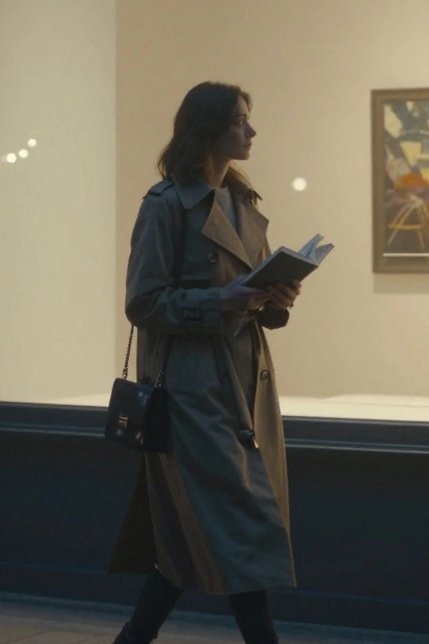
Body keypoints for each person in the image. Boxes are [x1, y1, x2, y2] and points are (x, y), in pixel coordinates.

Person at [108, 82, 302, 644]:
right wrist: (220, 302)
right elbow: (143, 302)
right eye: (241, 121)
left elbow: (255, 298)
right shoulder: (166, 205)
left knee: (195, 536)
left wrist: (277, 299)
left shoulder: (244, 206)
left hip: (247, 389)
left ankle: (132, 638)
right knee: (243, 525)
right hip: (193, 394)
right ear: (208, 129)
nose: (251, 131)